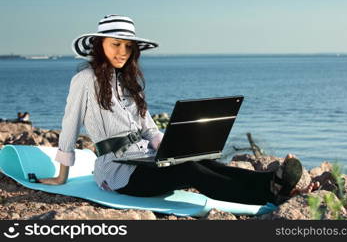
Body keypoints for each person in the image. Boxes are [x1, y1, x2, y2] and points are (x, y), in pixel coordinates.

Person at [39, 14, 318, 205]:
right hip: (118, 173)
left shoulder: (128, 82)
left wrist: (173, 149)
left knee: (201, 162)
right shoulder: (84, 80)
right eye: (115, 44)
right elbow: (69, 125)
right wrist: (61, 175)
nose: (123, 51)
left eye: (128, 46)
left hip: (148, 158)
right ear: (99, 44)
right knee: (192, 172)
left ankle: (272, 181)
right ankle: (267, 195)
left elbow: (148, 127)